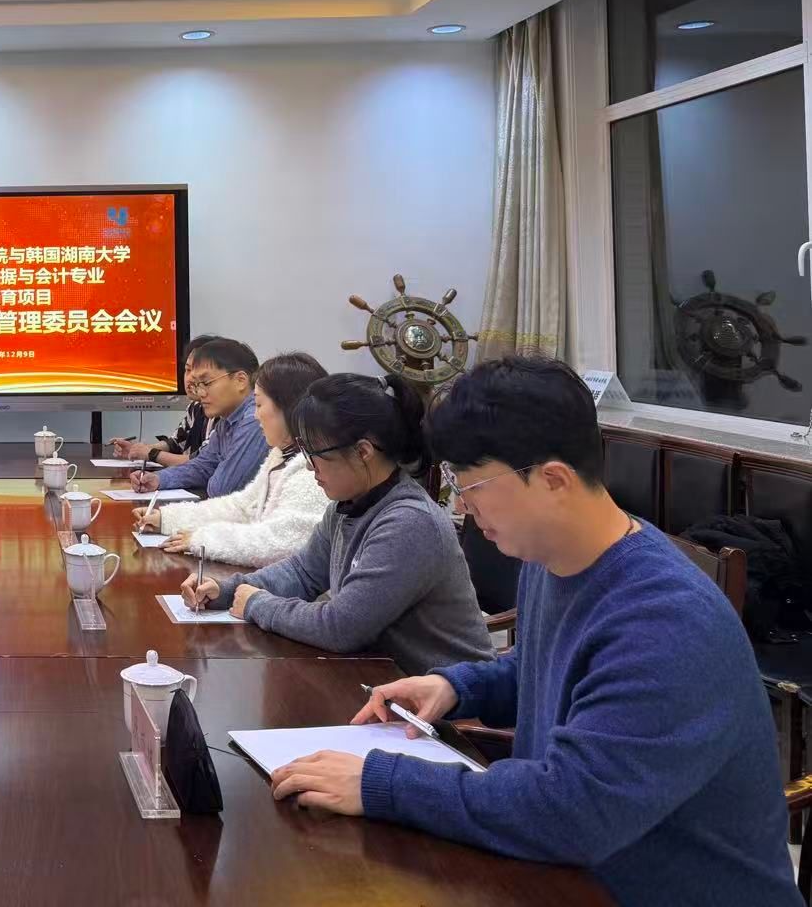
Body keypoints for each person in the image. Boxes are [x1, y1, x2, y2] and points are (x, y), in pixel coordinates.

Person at [267, 357, 799, 907]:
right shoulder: (552, 557)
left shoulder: (665, 622)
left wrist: (380, 783)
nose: (463, 506)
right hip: (569, 874)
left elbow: (570, 812)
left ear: (553, 480)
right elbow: (545, 667)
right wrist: (456, 687)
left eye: (472, 485)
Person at [182, 372, 492, 674]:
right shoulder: (347, 506)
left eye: (316, 454)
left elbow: (341, 627)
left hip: (443, 694)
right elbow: (302, 572)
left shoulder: (409, 522)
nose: (309, 467)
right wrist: (227, 589)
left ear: (363, 451)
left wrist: (257, 604)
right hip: (380, 678)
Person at [135, 352, 327, 568]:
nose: (256, 415)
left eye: (259, 405)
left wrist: (202, 540)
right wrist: (168, 519)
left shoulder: (313, 469)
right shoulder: (280, 454)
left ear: (289, 407)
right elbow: (242, 507)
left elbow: (280, 542)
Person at [129, 338, 269, 497]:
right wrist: (158, 479)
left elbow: (222, 489)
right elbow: (202, 466)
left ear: (240, 380)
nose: (200, 393)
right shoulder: (227, 421)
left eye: (206, 383)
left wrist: (212, 473)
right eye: (197, 385)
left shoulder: (254, 419)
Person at [110, 333, 220, 465]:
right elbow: (176, 443)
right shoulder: (195, 406)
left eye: (199, 373)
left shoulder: (221, 411)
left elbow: (201, 462)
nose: (190, 378)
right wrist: (137, 450)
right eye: (188, 370)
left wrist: (150, 454)